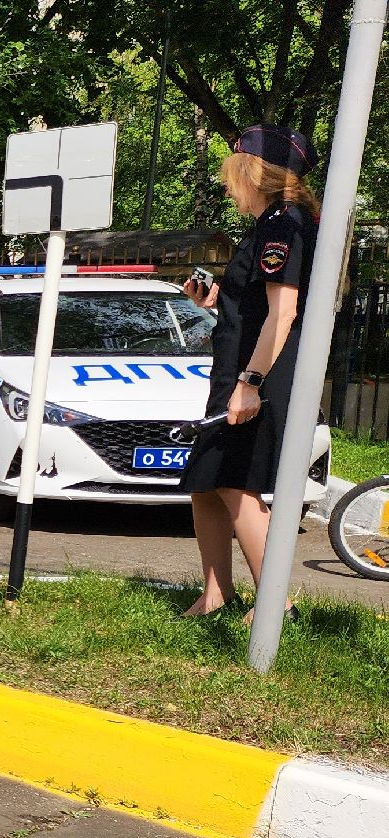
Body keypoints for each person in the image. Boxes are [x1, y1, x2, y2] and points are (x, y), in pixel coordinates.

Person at [178, 124, 320, 623]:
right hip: (236, 373)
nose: (225, 182)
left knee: (236, 482)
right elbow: (258, 307)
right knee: (206, 480)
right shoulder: (267, 227)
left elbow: (284, 315)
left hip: (256, 378)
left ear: (255, 171)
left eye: (231, 171)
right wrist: (216, 299)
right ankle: (217, 595)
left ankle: (275, 605)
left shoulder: (286, 225)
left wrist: (250, 384)